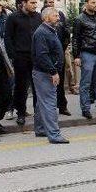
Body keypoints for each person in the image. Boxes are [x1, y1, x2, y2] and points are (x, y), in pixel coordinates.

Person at [31, 8, 69, 144]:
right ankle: (54, 134)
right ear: (46, 18)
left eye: (58, 15)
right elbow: (42, 55)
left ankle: (41, 129)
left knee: (43, 101)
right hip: (45, 73)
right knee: (49, 103)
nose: (58, 18)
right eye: (55, 16)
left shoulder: (49, 30)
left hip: (45, 72)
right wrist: (53, 72)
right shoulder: (42, 32)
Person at [5, 0, 41, 125]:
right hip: (20, 57)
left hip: (36, 57)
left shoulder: (38, 17)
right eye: (32, 3)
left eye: (35, 3)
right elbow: (8, 38)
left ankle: (39, 112)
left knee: (38, 86)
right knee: (21, 86)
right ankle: (20, 113)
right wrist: (13, 56)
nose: (35, 5)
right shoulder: (13, 18)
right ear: (24, 3)